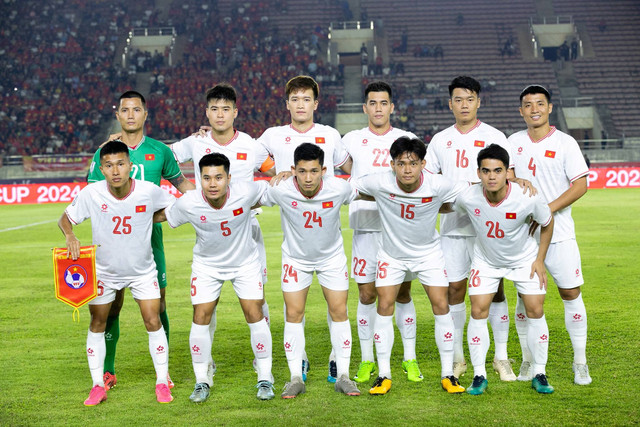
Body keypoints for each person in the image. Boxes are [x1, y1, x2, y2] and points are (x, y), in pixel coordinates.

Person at [87, 91, 195, 390]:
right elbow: (93, 194)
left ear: (146, 114)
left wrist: (208, 202)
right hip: (111, 244)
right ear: (118, 115)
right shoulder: (105, 153)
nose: (131, 114)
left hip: (150, 243)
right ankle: (107, 371)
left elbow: (181, 183)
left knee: (158, 306)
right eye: (125, 110)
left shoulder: (159, 151)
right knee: (111, 307)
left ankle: (164, 373)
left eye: (137, 109)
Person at [59, 140, 176, 405]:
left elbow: (173, 209)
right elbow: (65, 218)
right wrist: (70, 235)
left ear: (130, 166)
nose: (115, 170)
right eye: (109, 165)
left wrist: (150, 218)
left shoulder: (148, 191)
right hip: (104, 273)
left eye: (121, 164)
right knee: (98, 322)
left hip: (143, 271)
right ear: (101, 168)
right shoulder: (92, 193)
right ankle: (97, 385)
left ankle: (162, 382)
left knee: (152, 320)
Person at [352, 136, 469, 395]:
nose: (407, 169)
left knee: (441, 305)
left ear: (423, 164)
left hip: (429, 255)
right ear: (392, 164)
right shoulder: (379, 181)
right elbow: (351, 188)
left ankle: (448, 373)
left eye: (413, 163)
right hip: (391, 256)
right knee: (384, 306)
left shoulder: (438, 184)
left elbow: (468, 192)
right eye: (401, 163)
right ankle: (383, 375)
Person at [171, 84, 274, 374]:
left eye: (225, 109)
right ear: (206, 112)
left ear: (235, 113)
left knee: (258, 298)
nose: (220, 114)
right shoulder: (195, 142)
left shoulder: (250, 146)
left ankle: (261, 359)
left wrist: (284, 173)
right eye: (214, 109)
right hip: (210, 228)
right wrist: (186, 188)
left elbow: (273, 170)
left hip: (246, 231)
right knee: (207, 303)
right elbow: (163, 159)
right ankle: (207, 363)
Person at [154, 153, 275, 402]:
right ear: (199, 179)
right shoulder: (189, 202)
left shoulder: (246, 191)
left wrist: (285, 175)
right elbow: (163, 216)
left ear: (229, 178)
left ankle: (265, 378)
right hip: (207, 266)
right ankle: (202, 381)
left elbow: (274, 188)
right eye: (206, 178)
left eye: (218, 177)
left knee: (254, 312)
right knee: (200, 317)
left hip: (245, 263)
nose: (212, 183)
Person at [257, 75, 351, 383]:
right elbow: (247, 160)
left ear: (315, 103)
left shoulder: (330, 134)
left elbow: (350, 168)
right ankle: (302, 361)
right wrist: (276, 172)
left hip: (327, 224)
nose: (300, 105)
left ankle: (338, 358)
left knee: (336, 303)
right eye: (294, 99)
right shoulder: (273, 135)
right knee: (294, 309)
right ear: (287, 105)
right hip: (295, 228)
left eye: (306, 99)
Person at [425, 76, 517, 381]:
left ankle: (501, 357)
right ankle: (459, 358)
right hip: (452, 228)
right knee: (455, 290)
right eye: (458, 99)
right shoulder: (439, 140)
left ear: (478, 102)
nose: (464, 105)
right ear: (450, 103)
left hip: (488, 229)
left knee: (497, 290)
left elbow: (509, 179)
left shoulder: (494, 135)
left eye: (470, 99)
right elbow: (429, 185)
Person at [449, 144, 554, 395]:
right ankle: (479, 374)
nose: (492, 176)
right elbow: (449, 206)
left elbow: (548, 222)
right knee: (478, 310)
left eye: (498, 170)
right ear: (478, 173)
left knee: (535, 309)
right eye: (486, 171)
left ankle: (539, 372)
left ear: (508, 172)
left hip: (524, 260)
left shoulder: (527, 196)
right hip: (486, 261)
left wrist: (539, 260)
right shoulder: (468, 196)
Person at [259, 143, 361, 398]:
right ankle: (295, 378)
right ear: (293, 170)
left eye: (314, 171)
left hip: (332, 259)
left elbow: (367, 192)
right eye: (302, 171)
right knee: (294, 314)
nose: (307, 177)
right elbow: (249, 197)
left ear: (324, 170)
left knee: (339, 311)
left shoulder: (339, 188)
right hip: (295, 260)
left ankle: (344, 376)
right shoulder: (281, 190)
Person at [509, 85, 592, 385]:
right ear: (521, 111)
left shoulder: (566, 143)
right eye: (528, 105)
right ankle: (528, 361)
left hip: (561, 235)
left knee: (570, 293)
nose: (534, 109)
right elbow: (506, 177)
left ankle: (580, 362)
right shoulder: (513, 141)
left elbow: (580, 185)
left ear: (549, 107)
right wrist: (514, 177)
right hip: (524, 237)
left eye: (539, 104)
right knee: (527, 300)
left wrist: (544, 210)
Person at [341, 81, 422, 384]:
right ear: (365, 108)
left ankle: (410, 358)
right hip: (364, 227)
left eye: (383, 103)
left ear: (391, 107)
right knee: (366, 293)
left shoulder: (407, 139)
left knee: (402, 292)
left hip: (399, 228)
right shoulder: (350, 139)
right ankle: (366, 360)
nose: (378, 108)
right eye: (372, 103)